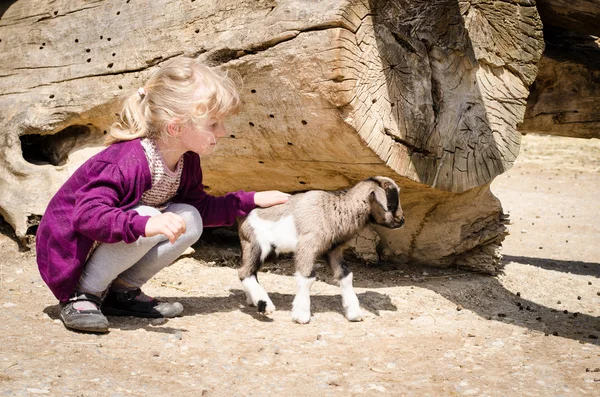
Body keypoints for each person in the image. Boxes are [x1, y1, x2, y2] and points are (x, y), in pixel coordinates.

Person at [36, 56, 290, 333]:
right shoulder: (125, 160)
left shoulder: (186, 160)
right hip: (72, 253)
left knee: (189, 217)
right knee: (147, 215)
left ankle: (121, 292)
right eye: (214, 124)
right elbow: (87, 216)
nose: (223, 132)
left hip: (112, 241)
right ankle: (82, 294)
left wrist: (248, 201)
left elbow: (200, 209)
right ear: (176, 127)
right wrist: (144, 224)